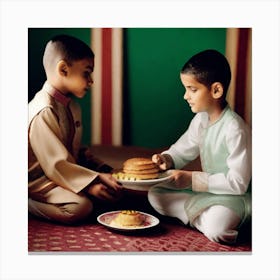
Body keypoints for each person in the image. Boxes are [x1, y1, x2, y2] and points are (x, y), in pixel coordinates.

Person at [148, 49, 251, 244]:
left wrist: (191, 180)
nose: (185, 96)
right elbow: (182, 150)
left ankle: (208, 221)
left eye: (192, 89)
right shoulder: (201, 120)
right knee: (155, 194)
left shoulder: (235, 128)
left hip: (237, 197)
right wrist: (167, 159)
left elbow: (238, 183)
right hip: (209, 193)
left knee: (217, 228)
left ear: (216, 90)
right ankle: (201, 217)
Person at [28, 34, 123, 224]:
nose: (91, 81)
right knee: (81, 207)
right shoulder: (44, 110)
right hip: (37, 179)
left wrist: (103, 170)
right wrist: (91, 184)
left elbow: (74, 150)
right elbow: (56, 164)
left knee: (114, 191)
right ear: (63, 69)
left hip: (62, 174)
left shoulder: (72, 107)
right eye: (86, 73)